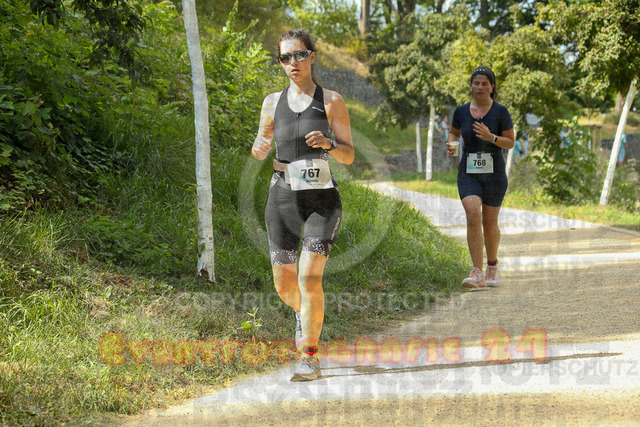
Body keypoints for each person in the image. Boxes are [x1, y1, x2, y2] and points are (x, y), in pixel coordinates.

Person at [251, 29, 354, 381]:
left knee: (309, 277)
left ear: (312, 56)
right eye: (285, 57)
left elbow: (349, 155)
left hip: (321, 199)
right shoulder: (271, 102)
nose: (292, 62)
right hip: (282, 196)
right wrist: (259, 148)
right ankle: (307, 315)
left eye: (298, 55)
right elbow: (262, 143)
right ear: (280, 62)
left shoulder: (331, 101)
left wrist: (329, 144)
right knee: (284, 285)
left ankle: (309, 355)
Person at [446, 66, 515, 288]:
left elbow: (510, 142)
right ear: (471, 86)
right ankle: (477, 272)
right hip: (469, 173)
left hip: (495, 175)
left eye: (485, 83)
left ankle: (492, 266)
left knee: (490, 222)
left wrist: (491, 137)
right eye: (476, 83)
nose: (480, 87)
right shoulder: (461, 111)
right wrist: (452, 144)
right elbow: (454, 132)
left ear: (492, 87)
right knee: (473, 214)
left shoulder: (501, 112)